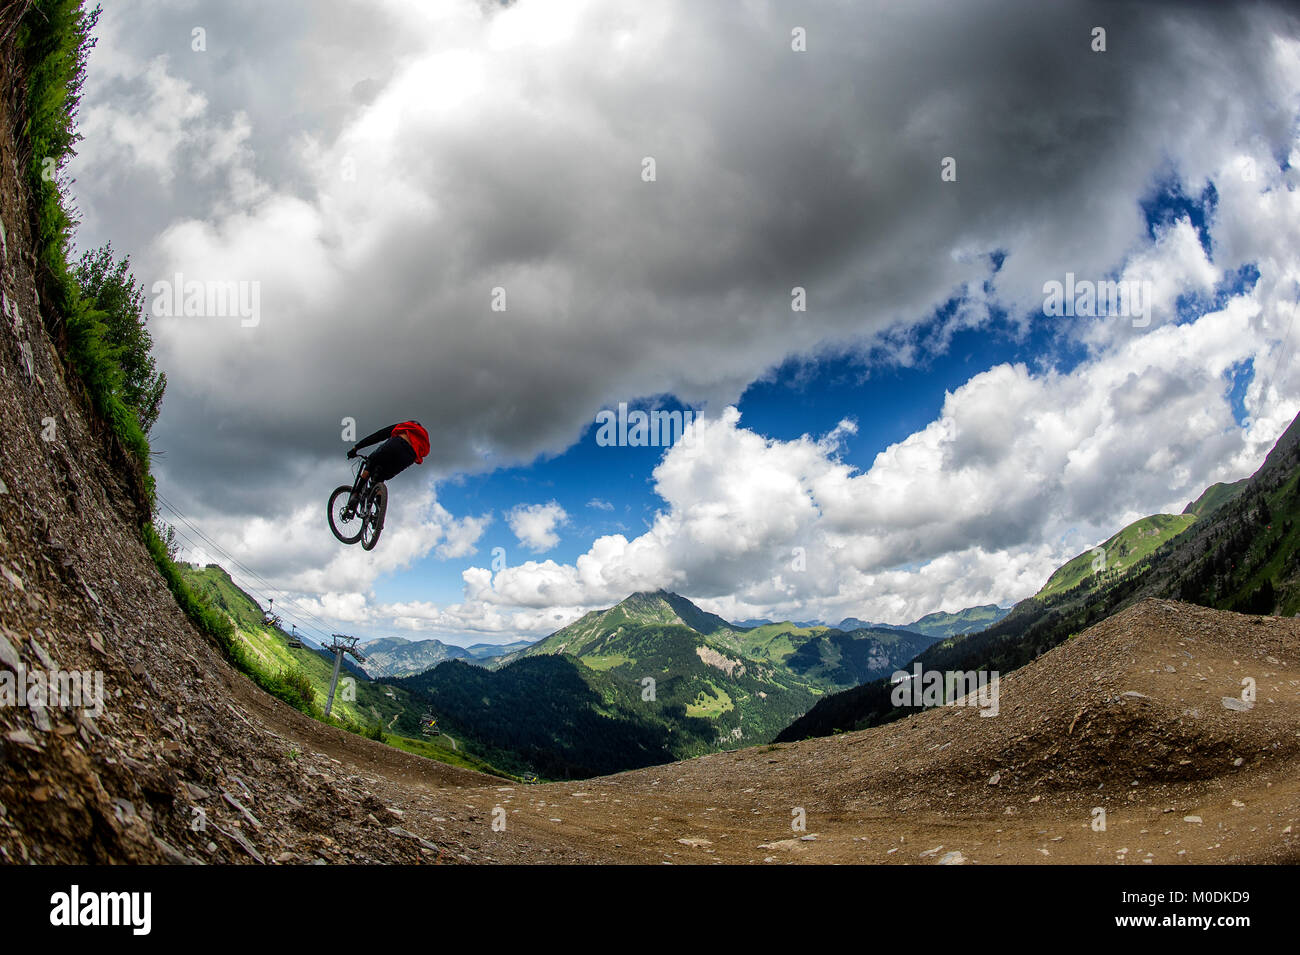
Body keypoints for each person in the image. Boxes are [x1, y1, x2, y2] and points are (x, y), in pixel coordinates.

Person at [345, 420, 430, 513]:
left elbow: (378, 436)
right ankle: (378, 512)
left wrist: (356, 447)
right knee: (380, 477)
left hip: (397, 443)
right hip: (410, 457)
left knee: (371, 462)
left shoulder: (405, 426)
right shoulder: (422, 439)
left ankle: (356, 494)